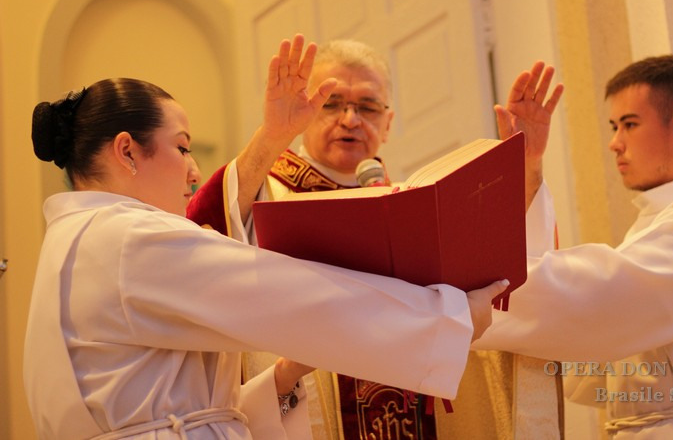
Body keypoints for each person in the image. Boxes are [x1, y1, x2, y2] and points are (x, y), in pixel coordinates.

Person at [24, 37, 508, 439]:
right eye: (182, 147)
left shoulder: (75, 238)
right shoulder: (130, 239)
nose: (194, 171)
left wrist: (282, 375)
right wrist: (447, 317)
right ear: (127, 151)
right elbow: (298, 298)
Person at [187, 38, 536, 439]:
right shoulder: (260, 194)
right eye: (331, 103)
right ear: (304, 112)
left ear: (388, 123)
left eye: (367, 107)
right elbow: (201, 230)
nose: (351, 119)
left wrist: (526, 168)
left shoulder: (419, 206)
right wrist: (271, 136)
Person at [474, 55, 673, 438]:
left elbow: (594, 301)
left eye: (630, 125)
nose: (614, 143)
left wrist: (460, 301)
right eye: (613, 126)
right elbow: (593, 329)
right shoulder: (662, 221)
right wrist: (529, 167)